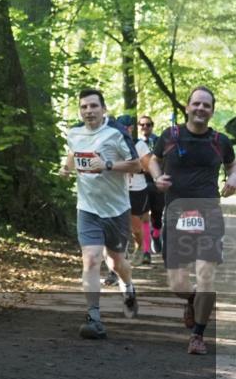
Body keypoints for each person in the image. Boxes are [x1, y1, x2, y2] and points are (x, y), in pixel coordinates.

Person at [147, 86, 236, 355]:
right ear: (187, 107)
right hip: (175, 214)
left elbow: (233, 164)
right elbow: (153, 159)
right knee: (178, 285)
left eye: (206, 105)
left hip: (209, 214)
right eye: (196, 104)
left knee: (206, 275)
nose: (200, 109)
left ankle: (198, 335)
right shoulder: (170, 136)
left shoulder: (220, 141)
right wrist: (157, 177)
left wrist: (233, 178)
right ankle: (193, 300)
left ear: (211, 111)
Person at [60, 89, 143, 339]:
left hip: (117, 210)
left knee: (117, 263)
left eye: (94, 106)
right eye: (84, 107)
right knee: (92, 259)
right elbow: (73, 155)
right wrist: (66, 168)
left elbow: (137, 165)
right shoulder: (74, 133)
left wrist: (107, 165)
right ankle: (93, 317)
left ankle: (127, 286)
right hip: (87, 209)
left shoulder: (116, 133)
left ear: (103, 109)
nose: (89, 111)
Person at [118, 115, 153, 266]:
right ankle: (121, 253)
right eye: (120, 127)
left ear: (131, 128)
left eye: (127, 127)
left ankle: (141, 247)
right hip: (117, 188)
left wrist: (134, 167)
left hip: (136, 189)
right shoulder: (112, 143)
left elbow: (149, 167)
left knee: (135, 227)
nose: (123, 130)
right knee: (118, 223)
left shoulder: (139, 145)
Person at [137, 115, 165, 257]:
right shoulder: (133, 143)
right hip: (140, 183)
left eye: (148, 124)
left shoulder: (159, 141)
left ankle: (156, 234)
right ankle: (146, 250)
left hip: (156, 183)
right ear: (138, 126)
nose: (145, 127)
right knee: (143, 217)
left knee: (157, 214)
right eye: (142, 124)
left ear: (152, 126)